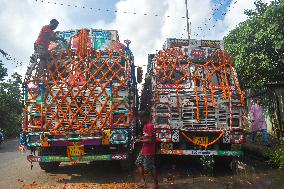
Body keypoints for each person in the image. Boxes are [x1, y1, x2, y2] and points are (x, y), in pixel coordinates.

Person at [135, 112, 158, 189]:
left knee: (150, 168)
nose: (140, 120)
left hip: (149, 150)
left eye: (141, 118)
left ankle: (156, 185)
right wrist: (141, 137)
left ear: (145, 117)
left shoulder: (150, 126)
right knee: (138, 162)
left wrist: (140, 141)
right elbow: (147, 136)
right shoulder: (145, 125)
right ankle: (142, 181)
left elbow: (151, 140)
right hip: (144, 149)